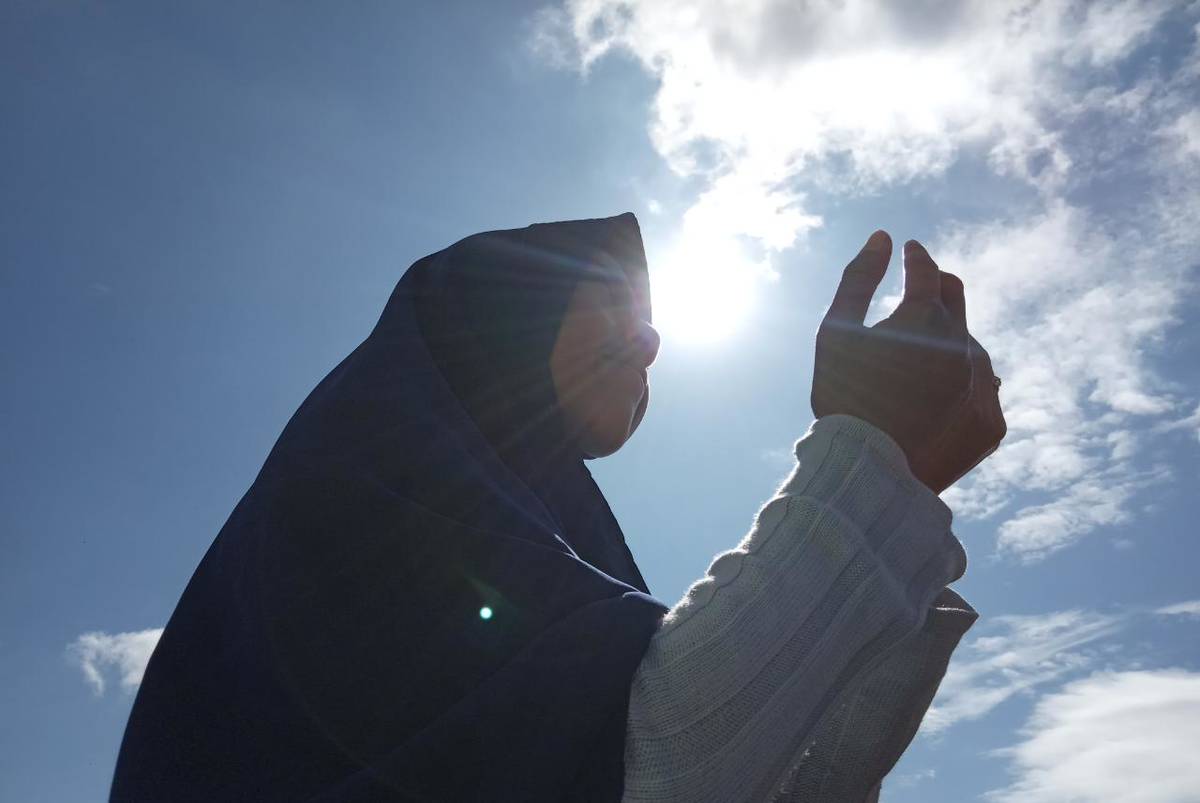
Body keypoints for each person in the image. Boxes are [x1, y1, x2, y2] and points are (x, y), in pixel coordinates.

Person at [110, 213, 1004, 802]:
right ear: (505, 309)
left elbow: (750, 772)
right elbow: (656, 767)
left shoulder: (559, 536)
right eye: (618, 299)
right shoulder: (366, 468)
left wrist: (901, 474)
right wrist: (874, 456)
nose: (652, 341)